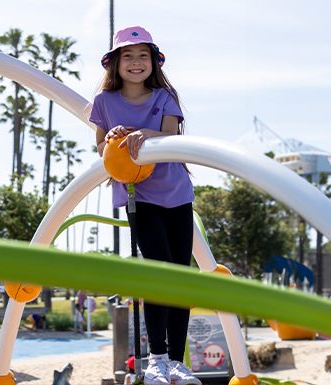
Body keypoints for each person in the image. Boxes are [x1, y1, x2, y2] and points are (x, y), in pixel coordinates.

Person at [91, 26, 200, 385]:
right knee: (160, 271)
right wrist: (112, 138)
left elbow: (171, 137)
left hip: (176, 192)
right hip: (139, 195)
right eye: (128, 55)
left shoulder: (165, 96)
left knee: (182, 275)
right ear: (115, 63)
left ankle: (178, 362)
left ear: (154, 61)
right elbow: (101, 149)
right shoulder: (104, 102)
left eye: (143, 55)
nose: (136, 62)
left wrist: (145, 134)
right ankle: (157, 359)